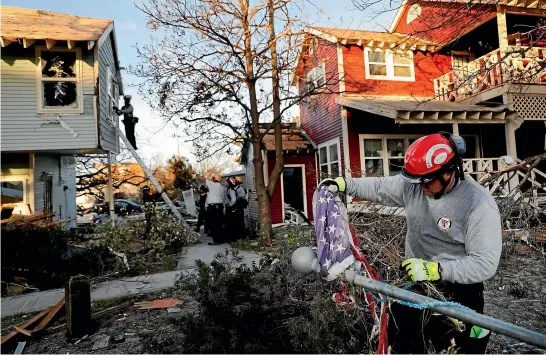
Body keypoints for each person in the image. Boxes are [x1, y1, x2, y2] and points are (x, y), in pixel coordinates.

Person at [320, 132, 501, 354]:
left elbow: (485, 263)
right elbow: (380, 187)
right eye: (416, 181)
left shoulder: (478, 204)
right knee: (403, 345)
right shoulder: (416, 184)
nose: (420, 187)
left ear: (448, 172)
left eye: (426, 181)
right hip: (413, 280)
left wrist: (437, 269)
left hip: (458, 290)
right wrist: (344, 184)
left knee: (457, 349)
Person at [203, 175, 226, 245]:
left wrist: (196, 175)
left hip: (212, 208)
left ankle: (216, 240)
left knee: (212, 224)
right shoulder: (222, 188)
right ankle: (220, 239)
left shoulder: (211, 184)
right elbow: (223, 198)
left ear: (214, 179)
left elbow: (202, 179)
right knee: (219, 223)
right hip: (219, 206)